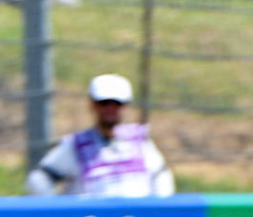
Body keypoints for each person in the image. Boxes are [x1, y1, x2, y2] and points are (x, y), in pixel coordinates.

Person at [26, 74, 175, 197]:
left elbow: (162, 177)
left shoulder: (141, 141)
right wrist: (60, 212)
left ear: (126, 106)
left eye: (116, 103)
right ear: (92, 104)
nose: (110, 109)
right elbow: (39, 179)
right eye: (104, 103)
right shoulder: (75, 145)